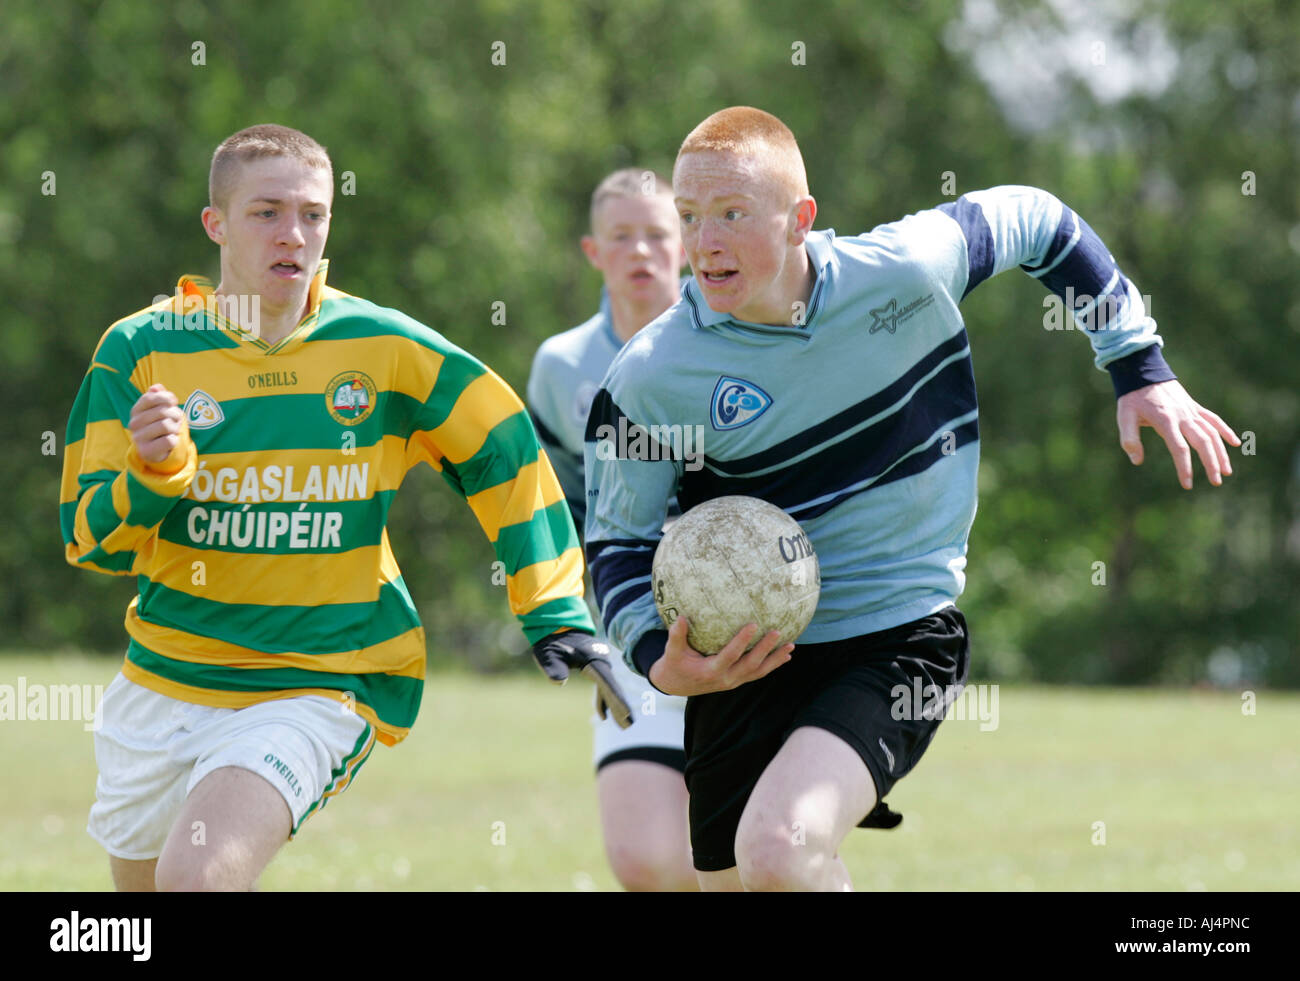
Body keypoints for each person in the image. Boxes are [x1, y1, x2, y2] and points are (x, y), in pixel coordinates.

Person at [584, 106, 1240, 892]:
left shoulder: (900, 273)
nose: (705, 241)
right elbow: (616, 543)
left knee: (779, 849)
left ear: (800, 220)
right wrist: (662, 659)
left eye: (732, 214)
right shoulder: (652, 378)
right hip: (743, 660)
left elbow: (1038, 219)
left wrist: (1137, 362)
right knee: (741, 880)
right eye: (689, 216)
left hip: (901, 635)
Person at [60, 123, 628, 892]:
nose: (294, 233)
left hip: (320, 681)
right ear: (215, 224)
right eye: (266, 212)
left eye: (314, 213)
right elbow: (89, 538)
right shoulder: (139, 350)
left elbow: (501, 448)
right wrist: (155, 474)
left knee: (195, 880)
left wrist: (555, 607)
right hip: (162, 685)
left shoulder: (381, 346)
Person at [527, 168, 697, 891]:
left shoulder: (739, 336)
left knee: (757, 852)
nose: (642, 251)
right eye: (622, 236)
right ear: (593, 251)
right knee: (644, 859)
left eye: (658, 233)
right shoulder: (560, 365)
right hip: (634, 627)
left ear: (685, 244)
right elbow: (555, 507)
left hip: (756, 624)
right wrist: (578, 620)